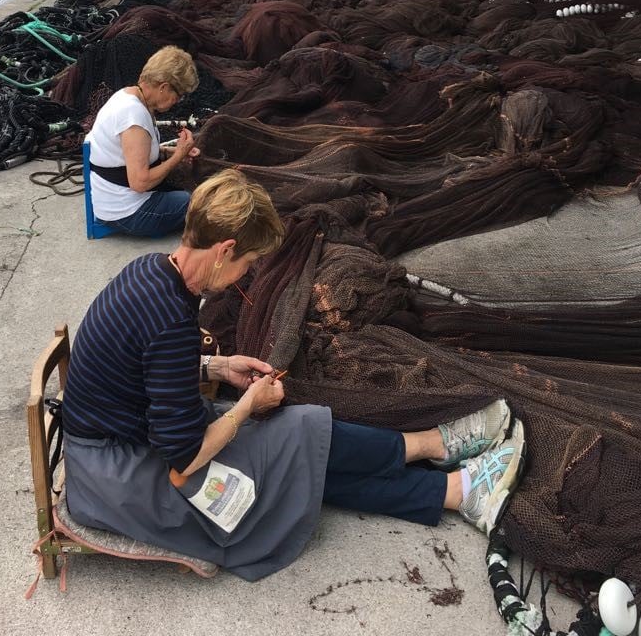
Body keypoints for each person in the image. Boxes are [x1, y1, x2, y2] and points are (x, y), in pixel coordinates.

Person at [62, 168, 527, 580]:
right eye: (246, 263)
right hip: (121, 476)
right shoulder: (168, 317)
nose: (245, 276)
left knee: (295, 450)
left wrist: (218, 365)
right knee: (293, 433)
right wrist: (246, 406)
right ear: (224, 250)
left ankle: (454, 489)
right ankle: (436, 449)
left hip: (124, 442)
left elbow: (137, 365)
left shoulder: (151, 272)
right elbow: (184, 457)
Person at [86, 46, 200, 237]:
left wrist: (174, 151)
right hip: (126, 212)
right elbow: (140, 183)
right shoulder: (134, 118)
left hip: (114, 199)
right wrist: (179, 155)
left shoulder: (129, 95)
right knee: (200, 203)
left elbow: (133, 154)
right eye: (178, 96)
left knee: (193, 194)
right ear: (163, 87)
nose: (177, 101)